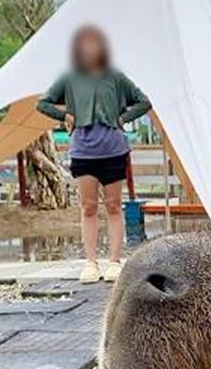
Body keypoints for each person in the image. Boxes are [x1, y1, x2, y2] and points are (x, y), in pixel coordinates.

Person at [37, 26, 152, 283]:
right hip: (83, 150)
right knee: (88, 207)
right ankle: (90, 263)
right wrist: (63, 116)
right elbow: (42, 103)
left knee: (113, 205)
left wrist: (123, 118)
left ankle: (114, 261)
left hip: (113, 149)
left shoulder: (116, 77)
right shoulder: (70, 78)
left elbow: (143, 101)